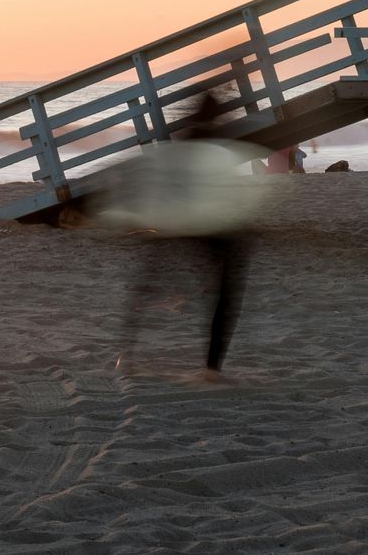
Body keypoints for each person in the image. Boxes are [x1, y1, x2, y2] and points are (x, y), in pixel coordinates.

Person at [102, 94, 261, 381]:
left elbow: (151, 178)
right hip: (210, 225)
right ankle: (212, 368)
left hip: (173, 221)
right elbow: (227, 192)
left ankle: (126, 353)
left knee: (148, 283)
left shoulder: (182, 143)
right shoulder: (217, 145)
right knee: (225, 294)